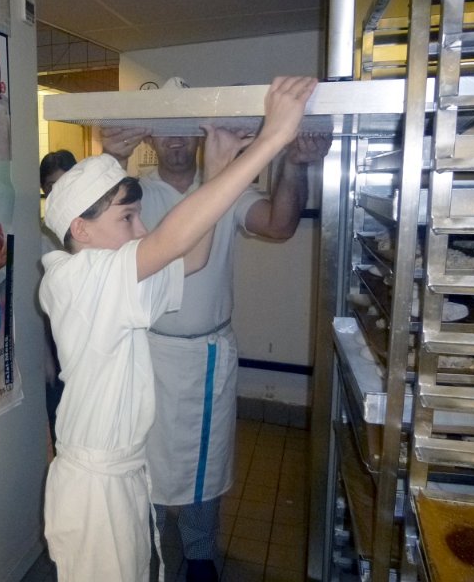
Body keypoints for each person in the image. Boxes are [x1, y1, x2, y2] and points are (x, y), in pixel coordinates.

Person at [39, 76, 317, 582]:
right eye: (128, 219)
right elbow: (169, 240)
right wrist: (273, 139)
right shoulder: (84, 278)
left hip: (114, 474)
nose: (139, 229)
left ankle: (200, 547)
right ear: (81, 230)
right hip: (96, 484)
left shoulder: (97, 272)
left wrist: (215, 168)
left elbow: (191, 254)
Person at [39, 149, 78, 452]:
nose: (58, 193)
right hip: (56, 345)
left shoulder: (96, 228)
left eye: (65, 184)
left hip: (92, 343)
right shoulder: (41, 236)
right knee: (61, 429)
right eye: (51, 187)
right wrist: (46, 357)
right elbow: (40, 311)